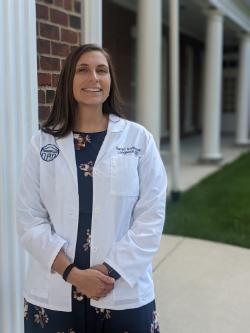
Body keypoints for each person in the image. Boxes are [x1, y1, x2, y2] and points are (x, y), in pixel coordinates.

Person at [16, 44, 167, 333]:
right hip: (54, 294)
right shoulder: (42, 143)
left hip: (121, 289)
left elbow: (151, 217)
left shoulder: (138, 140)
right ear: (68, 81)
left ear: (111, 81)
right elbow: (29, 218)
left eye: (102, 70)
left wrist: (107, 271)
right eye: (82, 70)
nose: (94, 78)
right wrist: (72, 274)